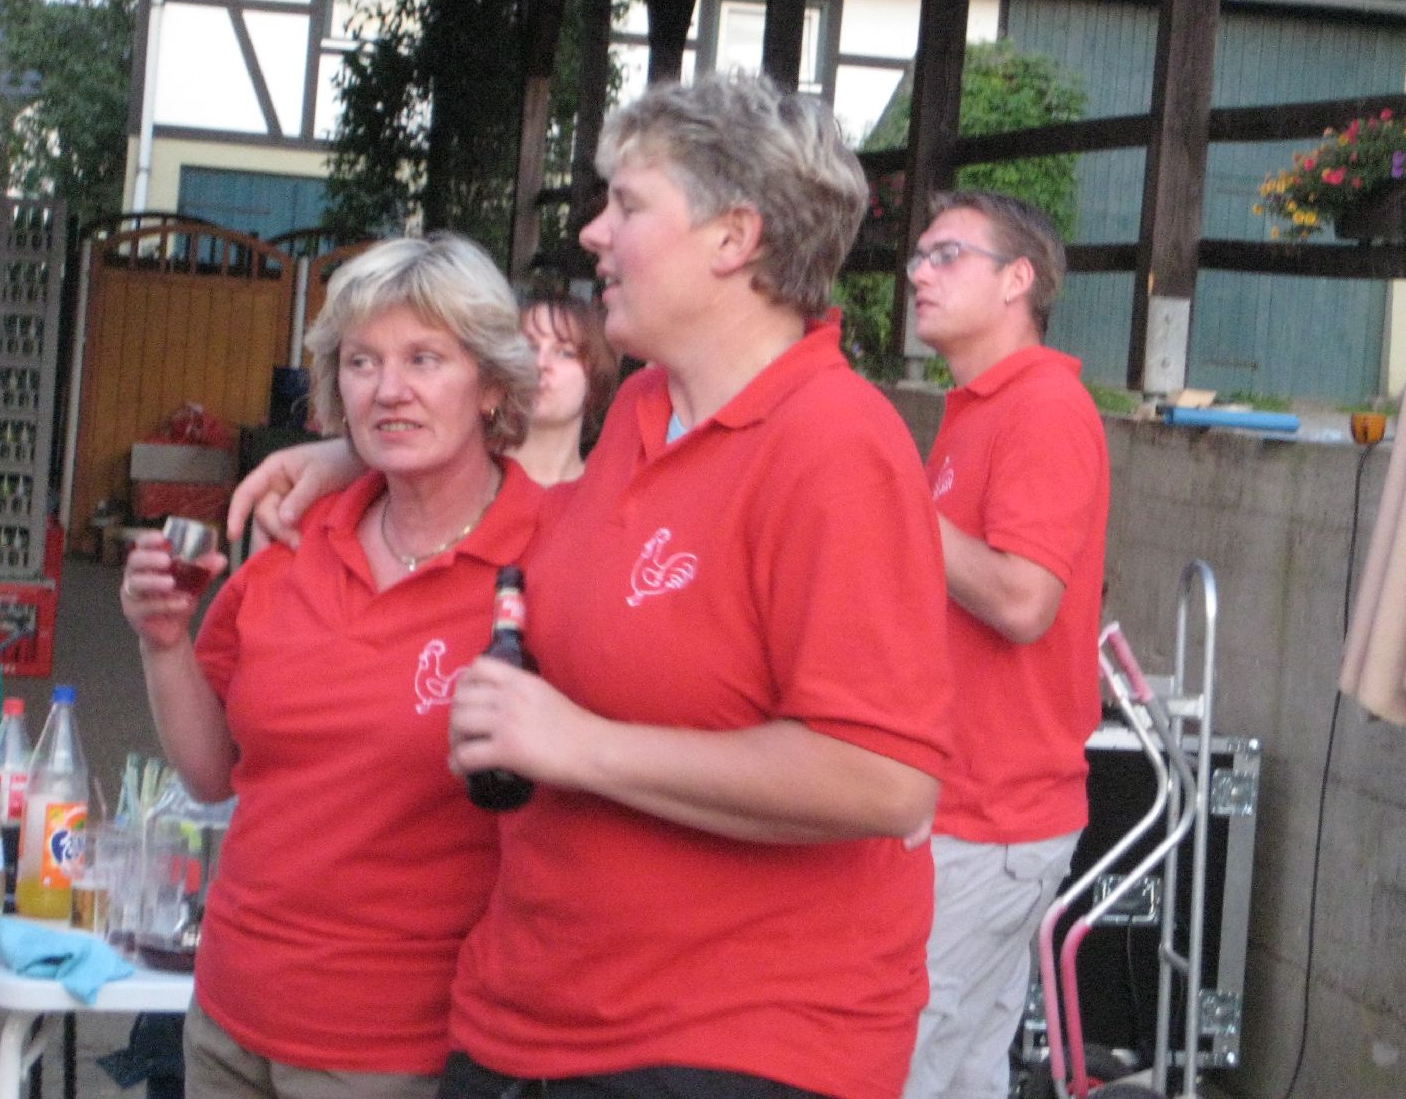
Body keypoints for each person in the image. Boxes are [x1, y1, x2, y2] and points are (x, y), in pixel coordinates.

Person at [227, 73, 953, 1099]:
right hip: (538, 1017)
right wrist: (358, 455)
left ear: (733, 237)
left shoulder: (833, 444)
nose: (594, 234)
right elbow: (536, 506)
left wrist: (576, 745)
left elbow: (883, 779)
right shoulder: (650, 408)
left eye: (627, 204)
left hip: (720, 1048)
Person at [121, 232, 542, 1099]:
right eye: (361, 361)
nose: (389, 389)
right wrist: (163, 642)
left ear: (492, 383)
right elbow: (212, 774)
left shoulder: (553, 552)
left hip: (399, 1045)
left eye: (425, 358)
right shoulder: (292, 539)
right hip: (227, 1017)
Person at [900, 190, 1110, 1099]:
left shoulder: (1043, 407)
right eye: (919, 256)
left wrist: (894, 505)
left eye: (947, 254)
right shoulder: (977, 408)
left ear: (1018, 279)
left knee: (901, 1065)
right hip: (973, 811)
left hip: (991, 816)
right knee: (963, 1075)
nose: (919, 272)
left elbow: (1024, 602)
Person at [513, 285, 619, 484]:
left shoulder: (608, 494)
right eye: (530, 348)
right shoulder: (472, 480)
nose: (540, 363)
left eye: (565, 353)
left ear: (595, 379)